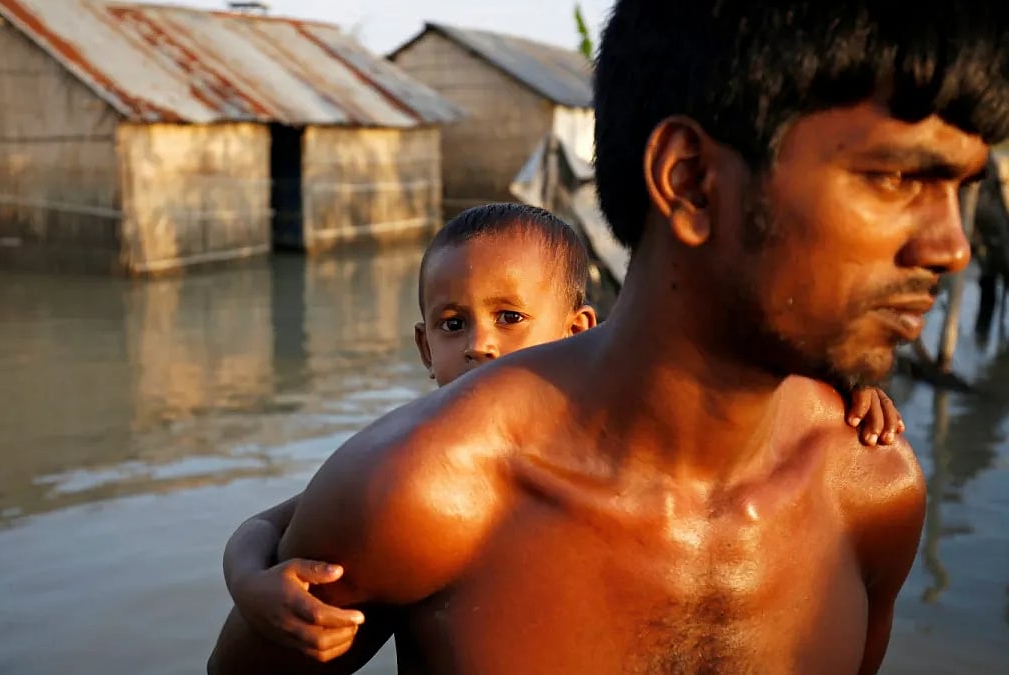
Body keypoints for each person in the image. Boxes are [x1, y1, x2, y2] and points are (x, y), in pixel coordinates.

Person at [209, 0, 1008, 671]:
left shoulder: (874, 491)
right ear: (690, 180)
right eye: (897, 178)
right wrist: (249, 558)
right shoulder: (428, 491)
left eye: (957, 189)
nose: (953, 246)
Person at [218, 203, 906, 662]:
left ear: (579, 329)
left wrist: (850, 381)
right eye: (454, 326)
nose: (481, 344)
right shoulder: (423, 469)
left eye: (510, 317)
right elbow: (280, 521)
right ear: (426, 349)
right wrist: (247, 577)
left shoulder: (862, 468)